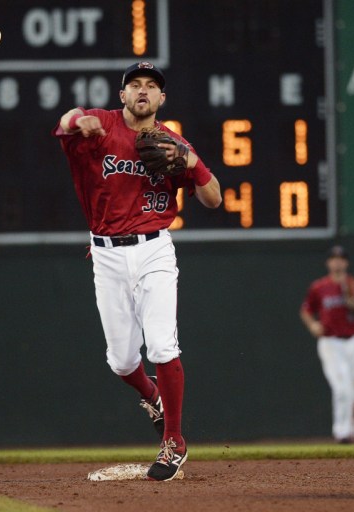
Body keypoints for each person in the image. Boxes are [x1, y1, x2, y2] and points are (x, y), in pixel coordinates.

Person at [53, 62, 222, 481]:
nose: (143, 91)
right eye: (135, 85)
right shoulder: (101, 127)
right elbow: (66, 120)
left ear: (162, 99)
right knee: (122, 361)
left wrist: (192, 162)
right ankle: (153, 396)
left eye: (151, 86)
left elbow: (214, 198)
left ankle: (174, 441)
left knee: (162, 346)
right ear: (122, 94)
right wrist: (81, 119)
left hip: (154, 251)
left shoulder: (171, 143)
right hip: (106, 254)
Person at [300, 245, 354, 443]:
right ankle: (340, 431)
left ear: (346, 262)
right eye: (333, 258)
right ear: (328, 262)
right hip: (330, 341)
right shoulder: (319, 287)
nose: (337, 261)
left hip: (352, 340)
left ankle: (351, 432)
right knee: (341, 387)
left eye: (341, 258)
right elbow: (306, 310)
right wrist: (313, 325)